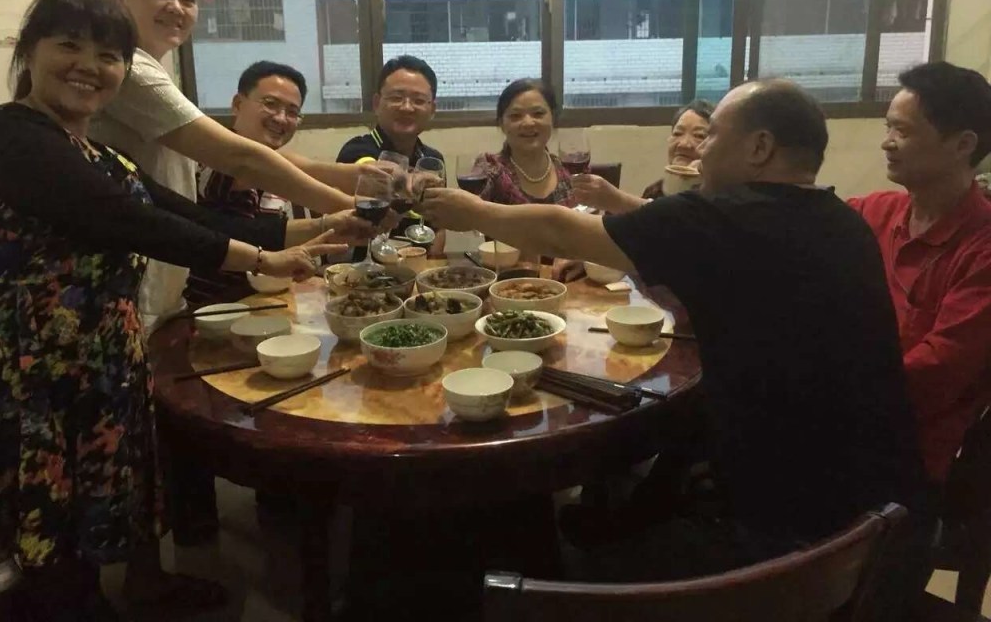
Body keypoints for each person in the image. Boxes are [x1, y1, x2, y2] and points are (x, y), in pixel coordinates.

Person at [419, 79, 931, 601]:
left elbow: (560, 229)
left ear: (759, 147)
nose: (700, 152)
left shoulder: (724, 217)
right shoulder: (844, 222)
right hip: (884, 528)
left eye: (711, 137)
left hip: (782, 553)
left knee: (539, 553)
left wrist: (472, 211)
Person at [0, 0, 347, 621]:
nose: (89, 66)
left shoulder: (96, 152)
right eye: (68, 46)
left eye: (109, 56)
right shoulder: (7, 135)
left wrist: (325, 228)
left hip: (102, 353)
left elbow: (193, 217)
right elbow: (137, 224)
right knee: (50, 523)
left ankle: (129, 592)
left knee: (102, 497)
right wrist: (262, 261)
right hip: (31, 363)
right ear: (29, 51)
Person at [89, 0, 374, 327]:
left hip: (160, 278)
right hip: (132, 282)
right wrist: (348, 208)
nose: (176, 7)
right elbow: (242, 160)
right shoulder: (130, 70)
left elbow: (273, 166)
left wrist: (356, 187)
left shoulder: (150, 69)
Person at [847, 62, 991, 490]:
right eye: (887, 127)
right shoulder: (874, 212)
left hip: (910, 448)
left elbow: (938, 368)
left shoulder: (982, 247)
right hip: (847, 413)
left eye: (902, 131)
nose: (887, 142)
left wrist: (830, 388)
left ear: (963, 144)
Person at [187, 60, 364, 304]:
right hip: (213, 310)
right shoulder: (216, 162)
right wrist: (348, 205)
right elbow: (250, 164)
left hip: (265, 303)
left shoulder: (274, 169)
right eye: (270, 104)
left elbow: (272, 235)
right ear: (238, 104)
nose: (281, 118)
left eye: (292, 112)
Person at [337, 54, 445, 254]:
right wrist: (410, 183)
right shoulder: (357, 150)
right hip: (364, 266)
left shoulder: (432, 159)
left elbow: (438, 227)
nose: (407, 107)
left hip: (418, 268)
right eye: (396, 98)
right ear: (376, 103)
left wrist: (430, 264)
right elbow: (371, 175)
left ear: (432, 109)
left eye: (419, 100)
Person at [571, 99, 713, 213]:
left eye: (699, 136)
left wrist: (617, 200)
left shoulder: (717, 199)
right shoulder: (655, 191)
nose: (684, 144)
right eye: (677, 133)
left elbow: (679, 222)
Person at [474, 78, 575, 207]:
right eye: (515, 116)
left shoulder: (568, 170)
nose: (528, 123)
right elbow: (470, 214)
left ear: (553, 118)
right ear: (502, 124)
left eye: (538, 113)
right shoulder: (489, 170)